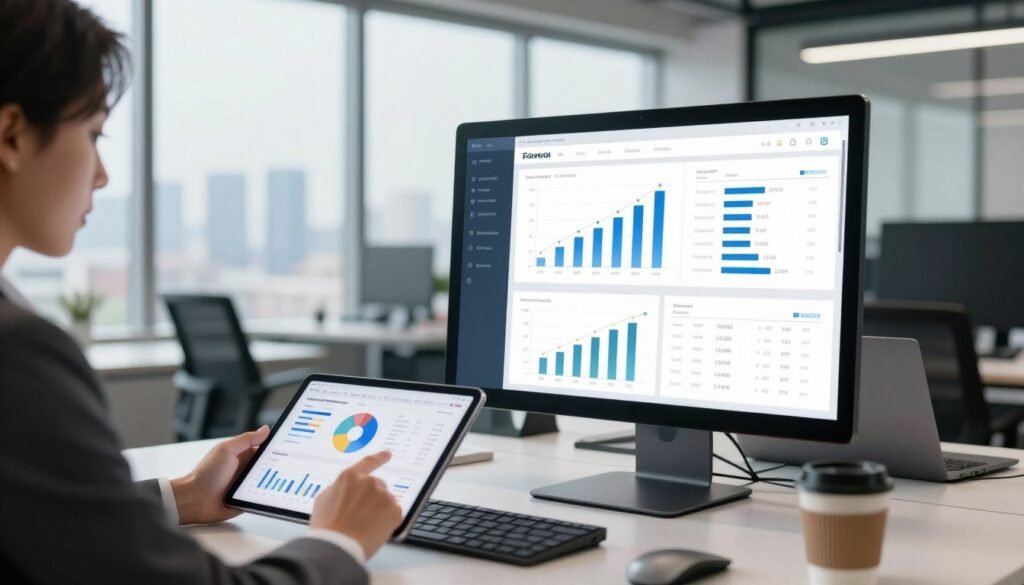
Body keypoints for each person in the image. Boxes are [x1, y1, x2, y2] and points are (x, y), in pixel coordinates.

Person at [0, 1, 402, 583]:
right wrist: (340, 539)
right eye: (93, 134)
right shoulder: (18, 352)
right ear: (11, 134)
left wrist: (182, 495)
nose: (103, 174)